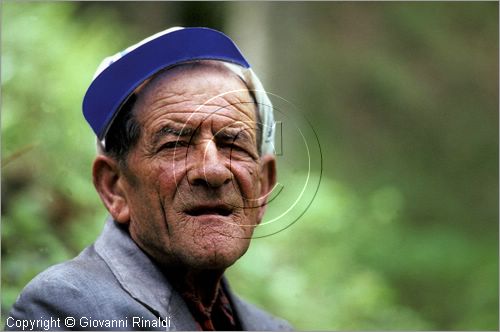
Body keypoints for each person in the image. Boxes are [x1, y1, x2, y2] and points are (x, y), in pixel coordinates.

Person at [6, 27, 292, 331]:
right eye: (175, 145)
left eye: (233, 144)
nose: (213, 171)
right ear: (114, 187)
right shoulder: (65, 308)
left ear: (262, 187)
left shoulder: (270, 327)